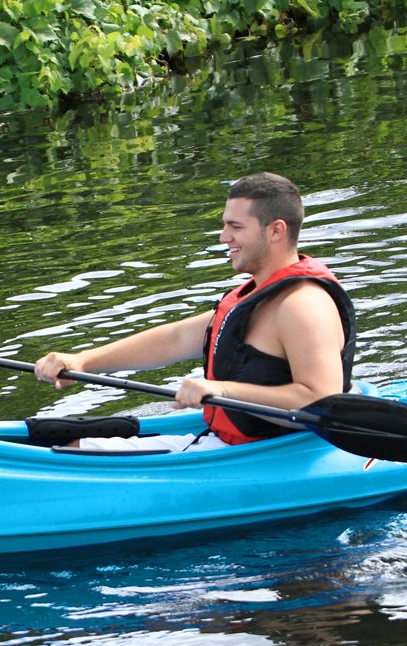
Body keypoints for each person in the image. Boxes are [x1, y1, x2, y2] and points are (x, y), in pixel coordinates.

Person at [33, 172, 357, 451]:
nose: (224, 237)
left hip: (267, 455)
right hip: (229, 443)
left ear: (276, 231)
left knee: (69, 452)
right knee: (66, 441)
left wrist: (221, 389)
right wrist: (82, 361)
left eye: (235, 226)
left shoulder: (303, 305)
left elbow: (323, 400)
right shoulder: (256, 295)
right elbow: (175, 338)